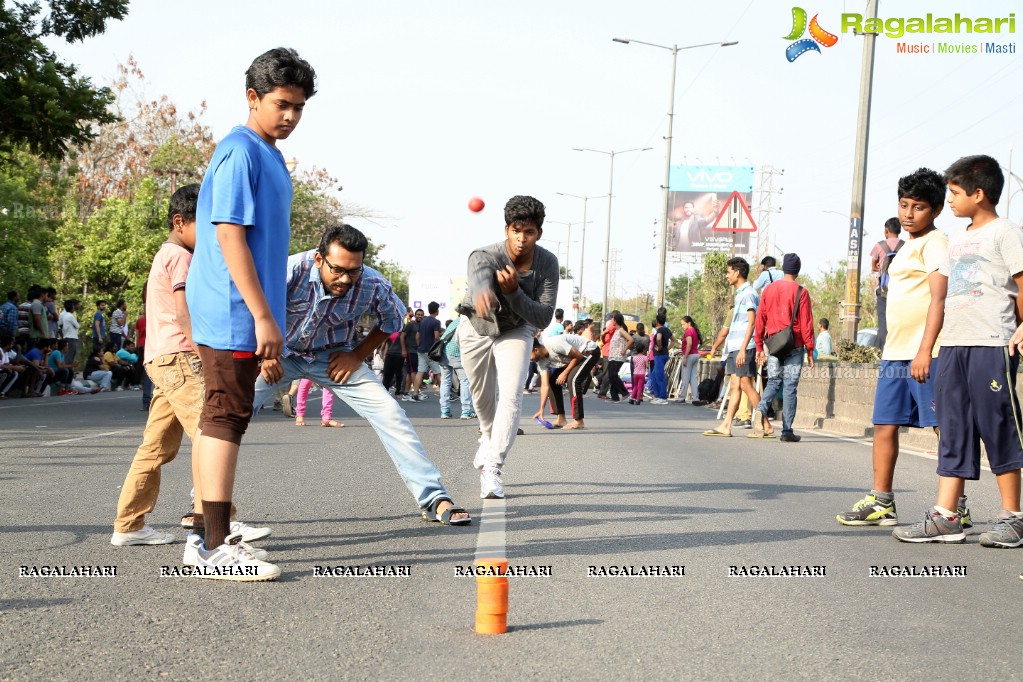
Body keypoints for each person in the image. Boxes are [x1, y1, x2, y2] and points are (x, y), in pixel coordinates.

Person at [183, 47, 317, 581]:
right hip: (233, 307)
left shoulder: (266, 153)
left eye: (300, 108)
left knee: (220, 414)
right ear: (252, 97)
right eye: (282, 104)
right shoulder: (239, 150)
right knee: (225, 416)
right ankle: (214, 549)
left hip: (246, 307)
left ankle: (203, 540)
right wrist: (263, 317)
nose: (290, 116)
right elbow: (229, 234)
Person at [252, 223, 471, 524]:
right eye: (338, 270)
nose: (345, 279)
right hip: (281, 354)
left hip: (334, 358)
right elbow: (251, 306)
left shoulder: (373, 284)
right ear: (319, 259)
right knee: (229, 413)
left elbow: (392, 321)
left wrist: (356, 355)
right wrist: (264, 352)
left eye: (354, 271)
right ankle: (207, 505)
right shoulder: (291, 269)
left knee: (391, 413)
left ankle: (434, 497)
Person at [111, 184, 268, 551]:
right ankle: (219, 521)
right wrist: (205, 356)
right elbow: (184, 313)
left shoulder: (163, 254)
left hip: (161, 358)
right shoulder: (180, 256)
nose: (215, 236)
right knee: (211, 434)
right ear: (180, 222)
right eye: (208, 227)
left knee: (155, 447)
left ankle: (129, 524)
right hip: (181, 357)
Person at [896, 155, 1023, 549]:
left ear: (979, 193)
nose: (949, 200)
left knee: (997, 425)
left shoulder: (1006, 232)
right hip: (952, 345)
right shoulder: (959, 239)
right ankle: (947, 517)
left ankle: (1013, 518)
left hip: (991, 343)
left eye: (954, 193)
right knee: (952, 428)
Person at [838, 168, 969, 527]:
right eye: (904, 205)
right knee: (884, 424)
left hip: (928, 352)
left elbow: (939, 299)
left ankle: (956, 504)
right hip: (895, 352)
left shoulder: (936, 243)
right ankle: (882, 501)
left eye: (919, 207)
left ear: (937, 209)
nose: (909, 214)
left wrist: (926, 351)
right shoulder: (907, 246)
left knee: (943, 427)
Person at [457, 195, 558, 498]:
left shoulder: (547, 263)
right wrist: (483, 292)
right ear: (506, 230)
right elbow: (479, 278)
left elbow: (543, 315)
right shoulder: (485, 255)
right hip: (477, 327)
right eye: (517, 231)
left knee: (512, 394)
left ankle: (492, 468)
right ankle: (488, 439)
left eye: (529, 232)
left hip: (516, 329)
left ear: (538, 233)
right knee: (483, 400)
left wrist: (513, 293)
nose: (522, 239)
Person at [752, 253, 815, 442]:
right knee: (790, 388)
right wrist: (810, 350)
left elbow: (760, 319)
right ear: (797, 270)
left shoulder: (768, 290)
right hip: (794, 346)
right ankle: (787, 431)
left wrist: (758, 347)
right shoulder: (801, 292)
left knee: (773, 382)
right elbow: (806, 324)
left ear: (784, 268)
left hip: (773, 346)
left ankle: (761, 408)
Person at [704, 258, 766, 437]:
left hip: (743, 347)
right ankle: (726, 425)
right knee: (735, 385)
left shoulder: (748, 294)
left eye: (728, 271)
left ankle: (766, 424)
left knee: (746, 385)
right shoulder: (740, 294)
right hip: (736, 346)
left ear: (737, 272)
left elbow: (752, 323)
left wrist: (742, 349)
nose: (726, 275)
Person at [531, 333, 599, 430]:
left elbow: (578, 356)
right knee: (552, 381)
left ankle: (579, 421)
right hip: (573, 359)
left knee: (573, 380)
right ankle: (561, 418)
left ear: (536, 350)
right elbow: (545, 385)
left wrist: (564, 373)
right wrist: (541, 409)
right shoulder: (540, 361)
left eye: (529, 355)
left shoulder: (554, 344)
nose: (529, 360)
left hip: (587, 352)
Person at [870, 217, 904, 351]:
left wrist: (879, 265)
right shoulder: (905, 246)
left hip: (883, 290)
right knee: (900, 320)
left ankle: (885, 351)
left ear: (886, 231)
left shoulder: (879, 246)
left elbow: (873, 267)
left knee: (883, 322)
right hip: (902, 290)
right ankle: (900, 349)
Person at [438, 317, 475, 419]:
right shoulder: (468, 322)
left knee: (445, 381)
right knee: (464, 381)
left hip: (443, 353)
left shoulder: (455, 322)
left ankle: (444, 411)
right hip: (457, 354)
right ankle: (466, 411)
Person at [411, 301, 442, 402]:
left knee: (420, 372)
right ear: (437, 310)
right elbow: (436, 337)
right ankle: (446, 393)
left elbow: (417, 336)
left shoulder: (423, 321)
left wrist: (419, 345)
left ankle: (415, 393)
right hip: (431, 351)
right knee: (437, 372)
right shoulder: (436, 322)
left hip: (421, 350)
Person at [605, 312, 633, 402]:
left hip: (618, 357)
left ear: (616, 321)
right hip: (613, 356)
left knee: (613, 375)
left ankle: (624, 392)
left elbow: (631, 340)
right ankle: (615, 397)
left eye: (613, 319)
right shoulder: (617, 331)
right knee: (612, 376)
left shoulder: (621, 330)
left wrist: (624, 349)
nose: (611, 321)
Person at [647, 315, 674, 404]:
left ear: (657, 322)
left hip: (659, 355)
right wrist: (667, 348)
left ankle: (662, 397)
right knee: (654, 375)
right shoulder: (667, 330)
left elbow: (658, 339)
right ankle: (657, 395)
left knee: (659, 376)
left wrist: (659, 347)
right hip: (664, 354)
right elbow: (673, 340)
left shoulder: (660, 330)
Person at [678, 315, 703, 403]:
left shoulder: (688, 331)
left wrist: (685, 357)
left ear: (689, 323)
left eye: (683, 324)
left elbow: (689, 344)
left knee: (685, 376)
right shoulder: (694, 331)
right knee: (693, 377)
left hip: (689, 355)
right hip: (695, 355)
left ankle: (682, 397)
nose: (682, 326)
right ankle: (695, 397)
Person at [400, 309, 423, 400]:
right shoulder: (410, 324)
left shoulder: (421, 325)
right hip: (410, 351)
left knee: (410, 373)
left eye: (421, 315)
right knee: (414, 372)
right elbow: (402, 336)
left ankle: (406, 393)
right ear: (415, 315)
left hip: (417, 351)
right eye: (418, 314)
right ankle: (416, 392)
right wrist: (404, 350)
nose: (420, 316)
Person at [58, 299, 81, 368]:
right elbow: (77, 326)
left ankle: (69, 369)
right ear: (71, 307)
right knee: (71, 354)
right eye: (73, 307)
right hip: (72, 337)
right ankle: (67, 369)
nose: (74, 308)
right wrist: (78, 323)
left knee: (68, 354)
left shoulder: (65, 315)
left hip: (67, 336)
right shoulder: (70, 316)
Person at [628, 337, 648, 406]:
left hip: (635, 373)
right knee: (640, 387)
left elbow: (634, 364)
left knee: (635, 386)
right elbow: (647, 366)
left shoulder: (634, 358)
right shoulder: (645, 357)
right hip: (642, 374)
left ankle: (632, 398)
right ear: (643, 350)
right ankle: (638, 399)